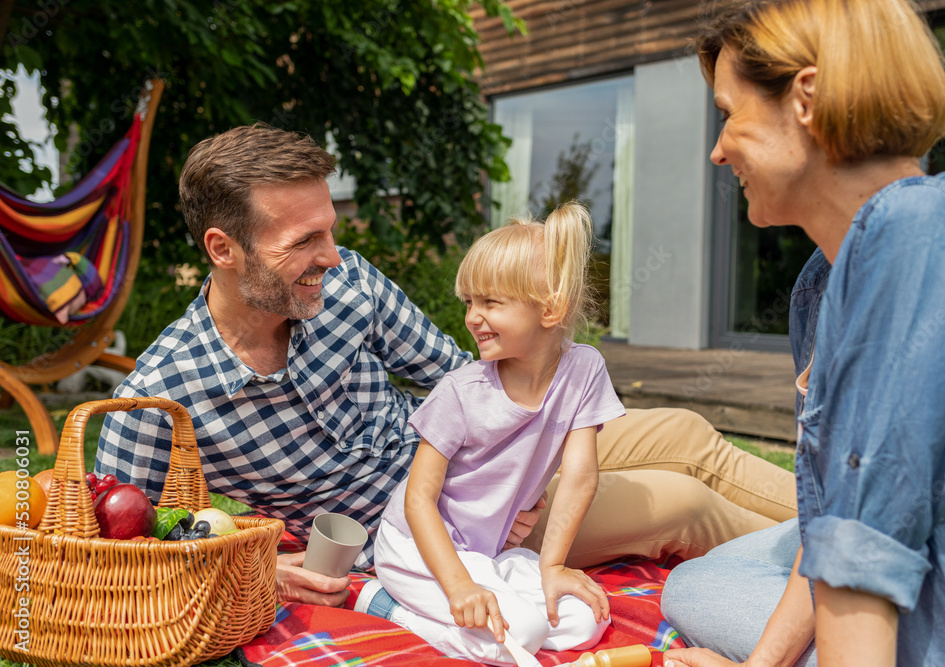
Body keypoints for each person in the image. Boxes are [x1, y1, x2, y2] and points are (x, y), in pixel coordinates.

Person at [95, 123, 796, 612]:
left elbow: (464, 374)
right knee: (684, 502)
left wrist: (534, 448)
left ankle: (877, 528)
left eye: (332, 228)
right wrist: (261, 569)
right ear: (223, 248)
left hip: (484, 450)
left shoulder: (348, 285)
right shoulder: (159, 396)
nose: (333, 256)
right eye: (305, 240)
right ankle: (834, 575)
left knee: (685, 432)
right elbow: (103, 555)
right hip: (449, 526)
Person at [660, 1, 945, 665]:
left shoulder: (922, 232)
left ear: (807, 98)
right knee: (694, 584)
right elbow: (834, 522)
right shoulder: (822, 283)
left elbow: (860, 560)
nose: (717, 149)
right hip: (910, 571)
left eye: (729, 113)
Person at [372, 203, 623, 664]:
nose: (472, 317)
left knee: (586, 620)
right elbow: (418, 499)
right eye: (469, 302)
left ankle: (495, 594)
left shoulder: (584, 369)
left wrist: (552, 567)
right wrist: (459, 585)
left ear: (550, 309)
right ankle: (385, 605)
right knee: (520, 634)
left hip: (487, 551)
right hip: (418, 548)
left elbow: (580, 476)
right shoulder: (460, 392)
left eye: (490, 303)